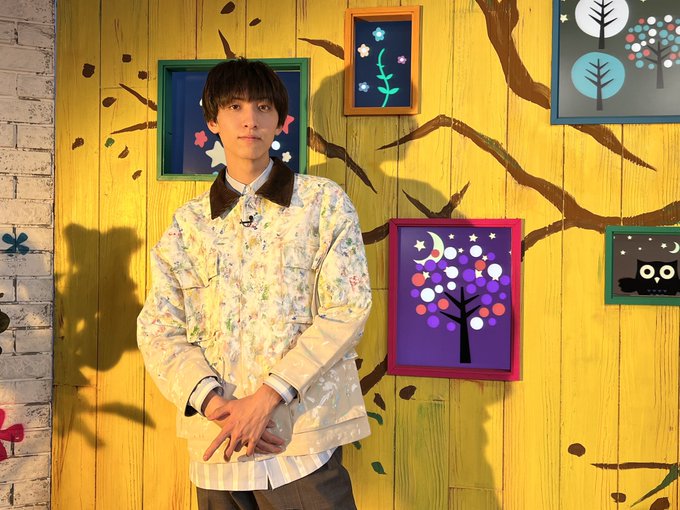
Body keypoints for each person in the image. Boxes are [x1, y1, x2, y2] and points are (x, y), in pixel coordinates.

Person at [137, 58, 372, 510]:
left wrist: (266, 399)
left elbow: (347, 308)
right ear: (213, 120)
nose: (250, 120)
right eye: (235, 107)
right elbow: (158, 329)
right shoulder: (188, 224)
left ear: (280, 121)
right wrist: (214, 405)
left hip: (300, 439)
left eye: (263, 107)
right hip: (217, 444)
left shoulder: (323, 203)